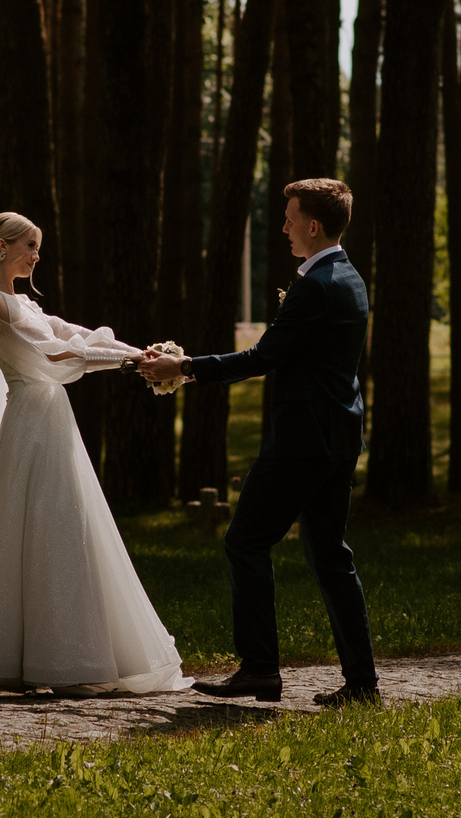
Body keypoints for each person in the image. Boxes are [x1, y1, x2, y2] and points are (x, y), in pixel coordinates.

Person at [137, 178, 379, 706]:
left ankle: (261, 670)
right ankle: (362, 682)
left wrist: (185, 367)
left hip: (300, 442)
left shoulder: (316, 286)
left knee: (244, 541)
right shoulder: (350, 277)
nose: (285, 226)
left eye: (291, 217)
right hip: (338, 436)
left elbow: (262, 358)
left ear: (313, 225)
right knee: (330, 556)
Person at [0, 211, 193, 697]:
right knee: (48, 525)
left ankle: (71, 652)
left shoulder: (22, 302)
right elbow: (56, 356)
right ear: (2, 247)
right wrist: (128, 362)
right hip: (32, 423)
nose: (36, 255)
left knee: (67, 524)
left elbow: (75, 334)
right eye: (30, 245)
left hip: (50, 418)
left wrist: (142, 353)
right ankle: (54, 659)